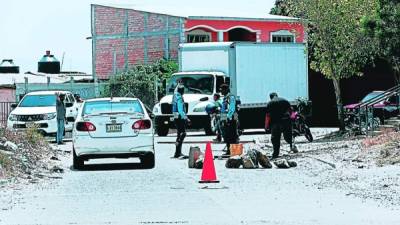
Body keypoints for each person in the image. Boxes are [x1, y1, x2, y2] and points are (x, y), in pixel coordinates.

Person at [265, 92, 298, 159]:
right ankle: (293, 146)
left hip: (275, 123)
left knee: (275, 139)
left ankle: (275, 155)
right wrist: (293, 119)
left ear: (270, 97)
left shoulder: (270, 103)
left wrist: (266, 126)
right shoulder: (284, 100)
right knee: (288, 137)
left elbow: (268, 116)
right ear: (277, 95)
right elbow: (291, 111)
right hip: (286, 122)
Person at [172, 84, 191, 158]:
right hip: (180, 117)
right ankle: (178, 152)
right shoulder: (179, 98)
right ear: (182, 91)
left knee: (179, 134)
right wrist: (186, 118)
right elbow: (180, 110)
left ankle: (177, 152)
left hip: (175, 117)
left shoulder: (175, 96)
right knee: (182, 134)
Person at [220, 84, 238, 155]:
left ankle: (233, 151)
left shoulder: (231, 97)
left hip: (231, 119)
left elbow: (232, 108)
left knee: (232, 135)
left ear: (226, 89)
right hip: (225, 118)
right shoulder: (225, 97)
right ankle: (228, 150)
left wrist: (228, 118)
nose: (221, 92)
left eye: (222, 90)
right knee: (226, 135)